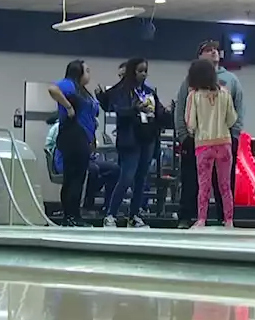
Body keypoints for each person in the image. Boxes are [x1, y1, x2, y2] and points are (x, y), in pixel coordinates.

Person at [174, 41, 244, 228]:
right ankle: (228, 220)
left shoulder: (195, 94)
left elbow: (189, 120)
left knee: (203, 184)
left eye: (215, 49)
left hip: (203, 142)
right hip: (224, 142)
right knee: (224, 185)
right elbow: (233, 117)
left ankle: (202, 219)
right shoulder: (224, 92)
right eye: (207, 50)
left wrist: (192, 131)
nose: (213, 52)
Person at [102, 57, 166, 228]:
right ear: (132, 72)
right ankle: (111, 214)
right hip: (130, 140)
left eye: (145, 70)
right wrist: (135, 109)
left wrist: (165, 113)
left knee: (141, 179)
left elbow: (158, 111)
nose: (143, 74)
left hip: (148, 138)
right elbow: (118, 110)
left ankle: (134, 215)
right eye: (140, 71)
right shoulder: (122, 91)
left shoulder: (150, 91)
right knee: (126, 177)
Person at [48, 60, 99, 226]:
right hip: (72, 135)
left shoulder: (83, 90)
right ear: (78, 72)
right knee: (73, 178)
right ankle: (70, 216)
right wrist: (68, 107)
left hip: (83, 137)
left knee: (77, 178)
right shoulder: (70, 84)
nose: (89, 74)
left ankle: (73, 216)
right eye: (87, 71)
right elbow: (53, 89)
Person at [44, 117, 118, 213]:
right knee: (93, 170)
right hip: (65, 160)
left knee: (114, 169)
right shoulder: (62, 127)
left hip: (86, 158)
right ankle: (87, 205)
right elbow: (51, 146)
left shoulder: (86, 126)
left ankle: (107, 207)